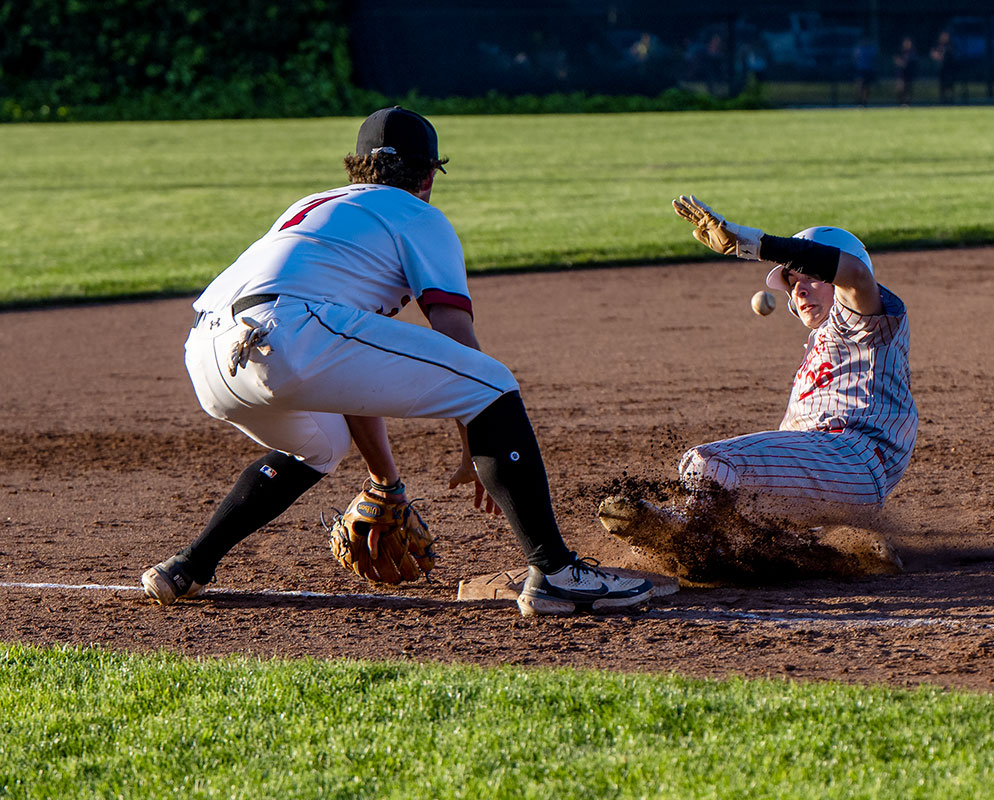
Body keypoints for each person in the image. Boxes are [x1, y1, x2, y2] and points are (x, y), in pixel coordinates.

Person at [140, 107, 653, 617]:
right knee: (492, 383)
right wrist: (474, 439)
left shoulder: (313, 206)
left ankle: (190, 565)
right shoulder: (418, 215)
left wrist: (386, 482)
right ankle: (557, 574)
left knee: (320, 447)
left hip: (210, 357)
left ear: (356, 169)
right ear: (429, 175)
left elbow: (344, 371)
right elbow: (454, 334)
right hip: (289, 332)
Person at [599, 197, 917, 565]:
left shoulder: (864, 324)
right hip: (836, 474)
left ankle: (690, 539)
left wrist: (756, 244)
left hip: (851, 459)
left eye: (812, 277)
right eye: (793, 282)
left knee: (709, 462)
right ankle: (835, 555)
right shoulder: (824, 345)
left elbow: (856, 277)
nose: (799, 290)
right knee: (736, 505)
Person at [893, 36, 918, 106]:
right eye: (906, 42)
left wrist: (903, 63)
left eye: (909, 42)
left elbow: (910, 63)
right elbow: (897, 61)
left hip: (909, 73)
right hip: (901, 73)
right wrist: (901, 63)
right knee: (900, 88)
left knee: (908, 88)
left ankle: (908, 103)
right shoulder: (900, 51)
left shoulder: (913, 52)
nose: (907, 44)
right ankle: (900, 102)